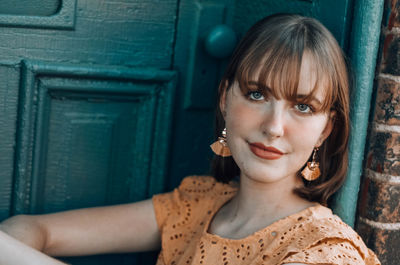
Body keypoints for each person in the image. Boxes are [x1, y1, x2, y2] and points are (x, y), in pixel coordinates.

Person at [0, 13, 380, 265]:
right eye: (257, 95)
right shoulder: (196, 205)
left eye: (302, 106)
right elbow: (35, 231)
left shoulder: (325, 252)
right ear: (224, 98)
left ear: (326, 129)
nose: (274, 126)